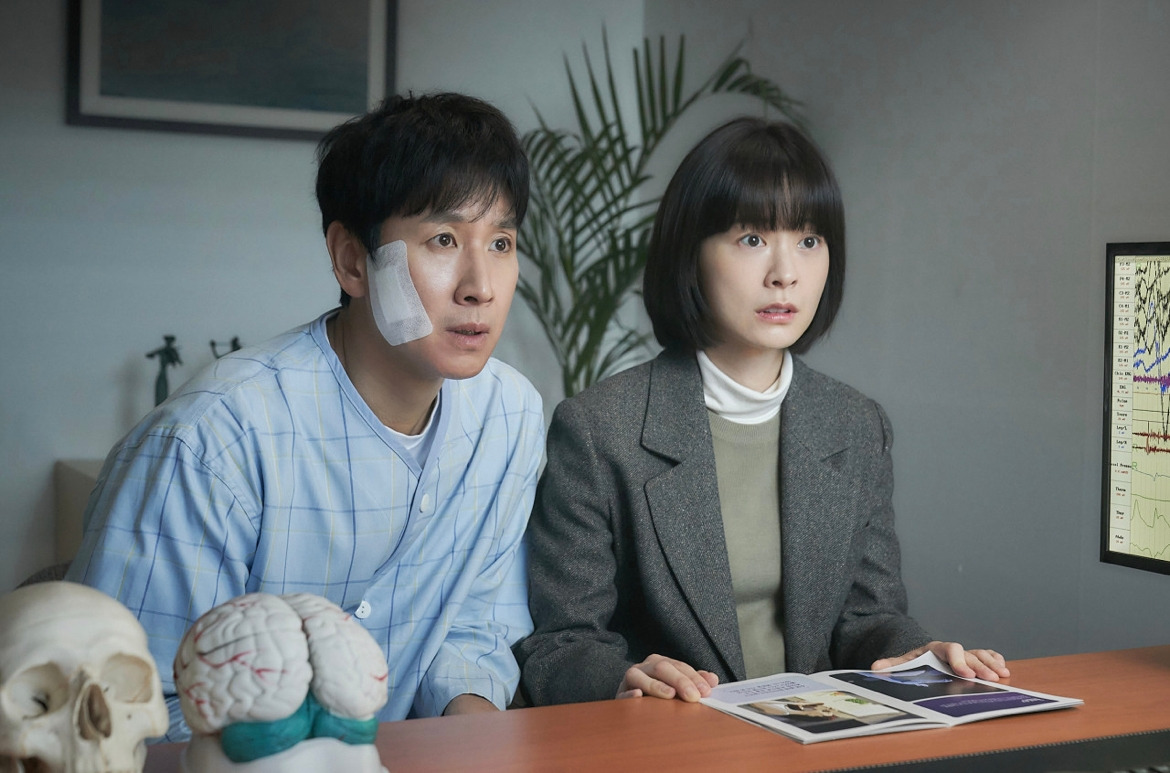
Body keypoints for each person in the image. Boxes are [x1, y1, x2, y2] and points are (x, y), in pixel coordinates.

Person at [67, 92, 545, 739]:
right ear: (352, 261)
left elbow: (473, 628)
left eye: (502, 242)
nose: (480, 286)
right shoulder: (213, 438)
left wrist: (477, 737)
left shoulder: (509, 415)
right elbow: (124, 706)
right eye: (443, 239)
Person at [514, 117, 1008, 707]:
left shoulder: (855, 424)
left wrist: (917, 653)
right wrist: (621, 678)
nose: (785, 273)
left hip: (815, 736)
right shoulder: (600, 430)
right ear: (690, 254)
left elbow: (866, 617)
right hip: (676, 739)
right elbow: (562, 644)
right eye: (752, 239)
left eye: (809, 241)